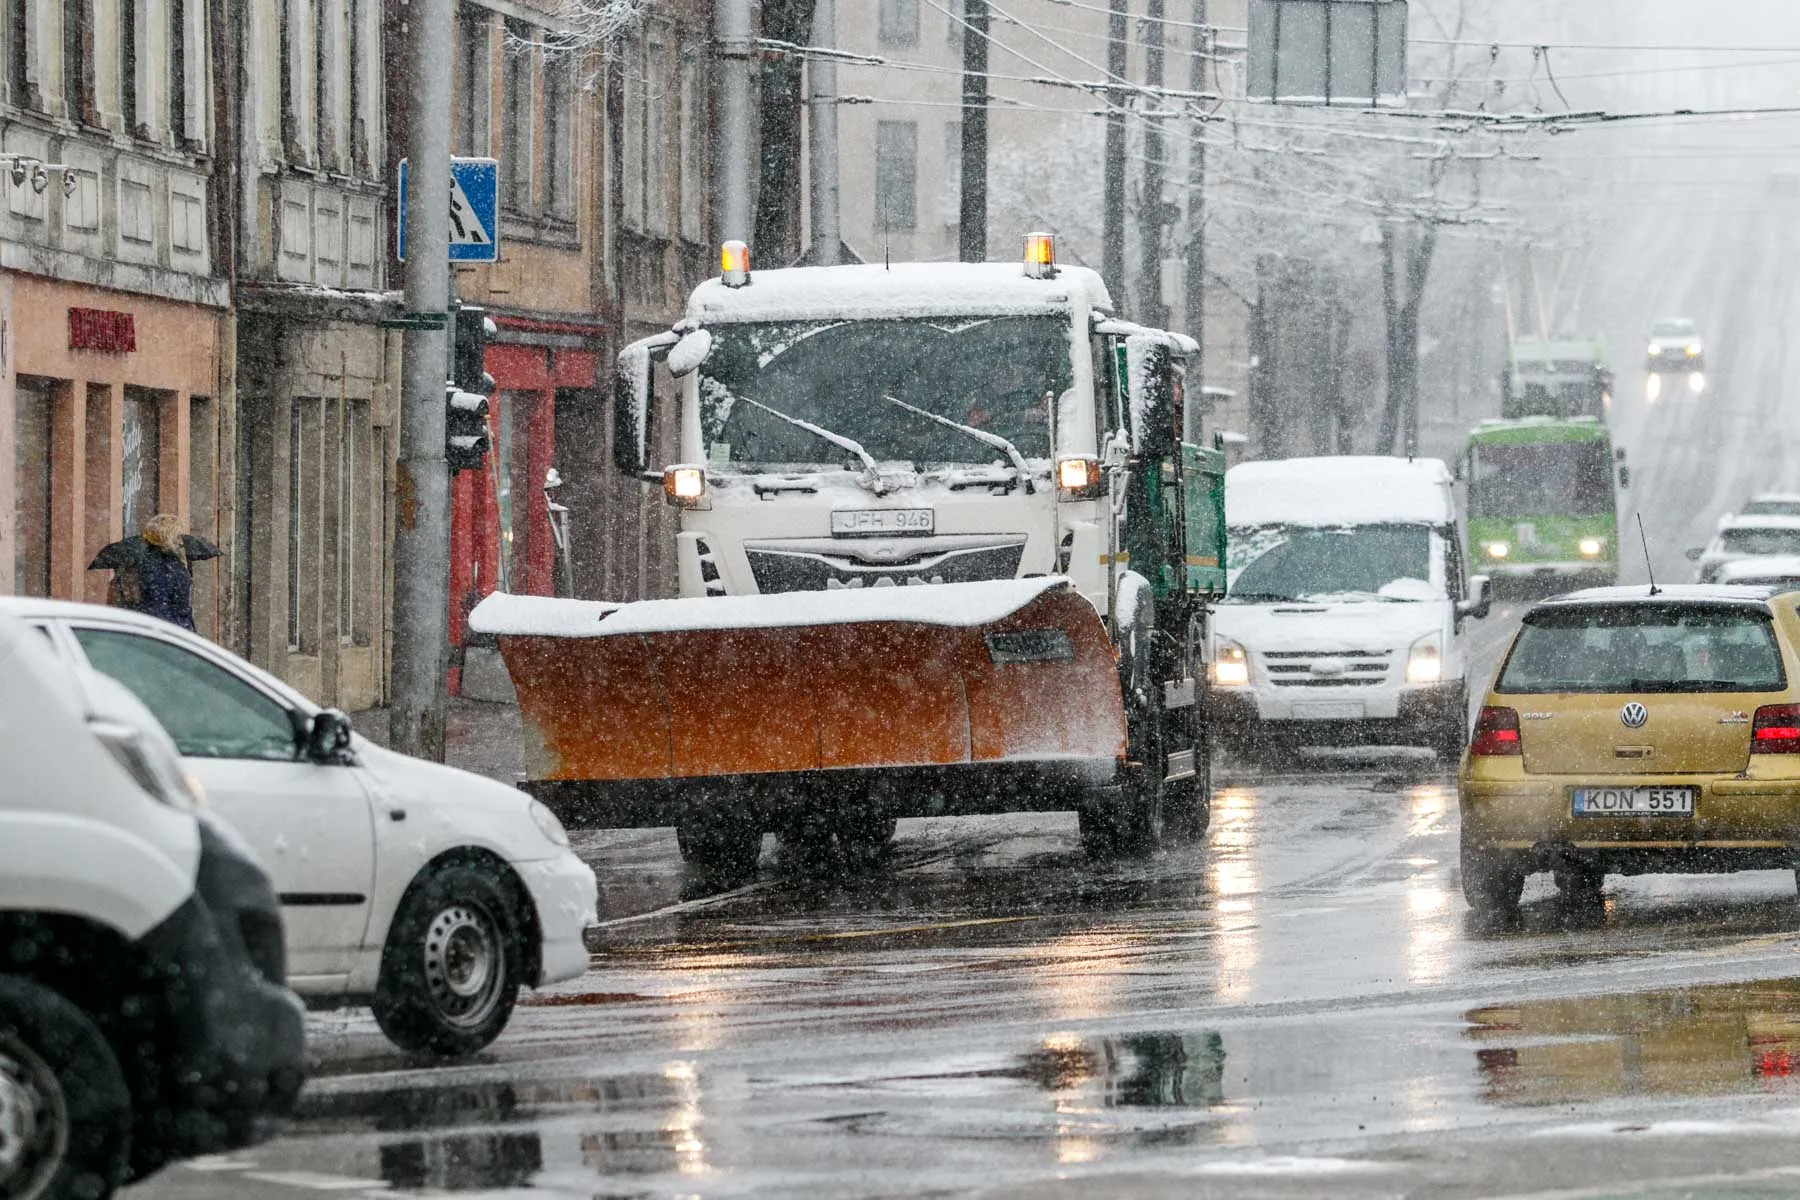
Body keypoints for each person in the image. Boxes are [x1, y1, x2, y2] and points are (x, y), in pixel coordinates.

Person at [90, 514, 219, 631]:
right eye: (177, 536)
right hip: (172, 633)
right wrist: (177, 633)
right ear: (166, 537)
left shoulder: (170, 560)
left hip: (177, 629)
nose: (181, 541)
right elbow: (159, 608)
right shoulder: (158, 566)